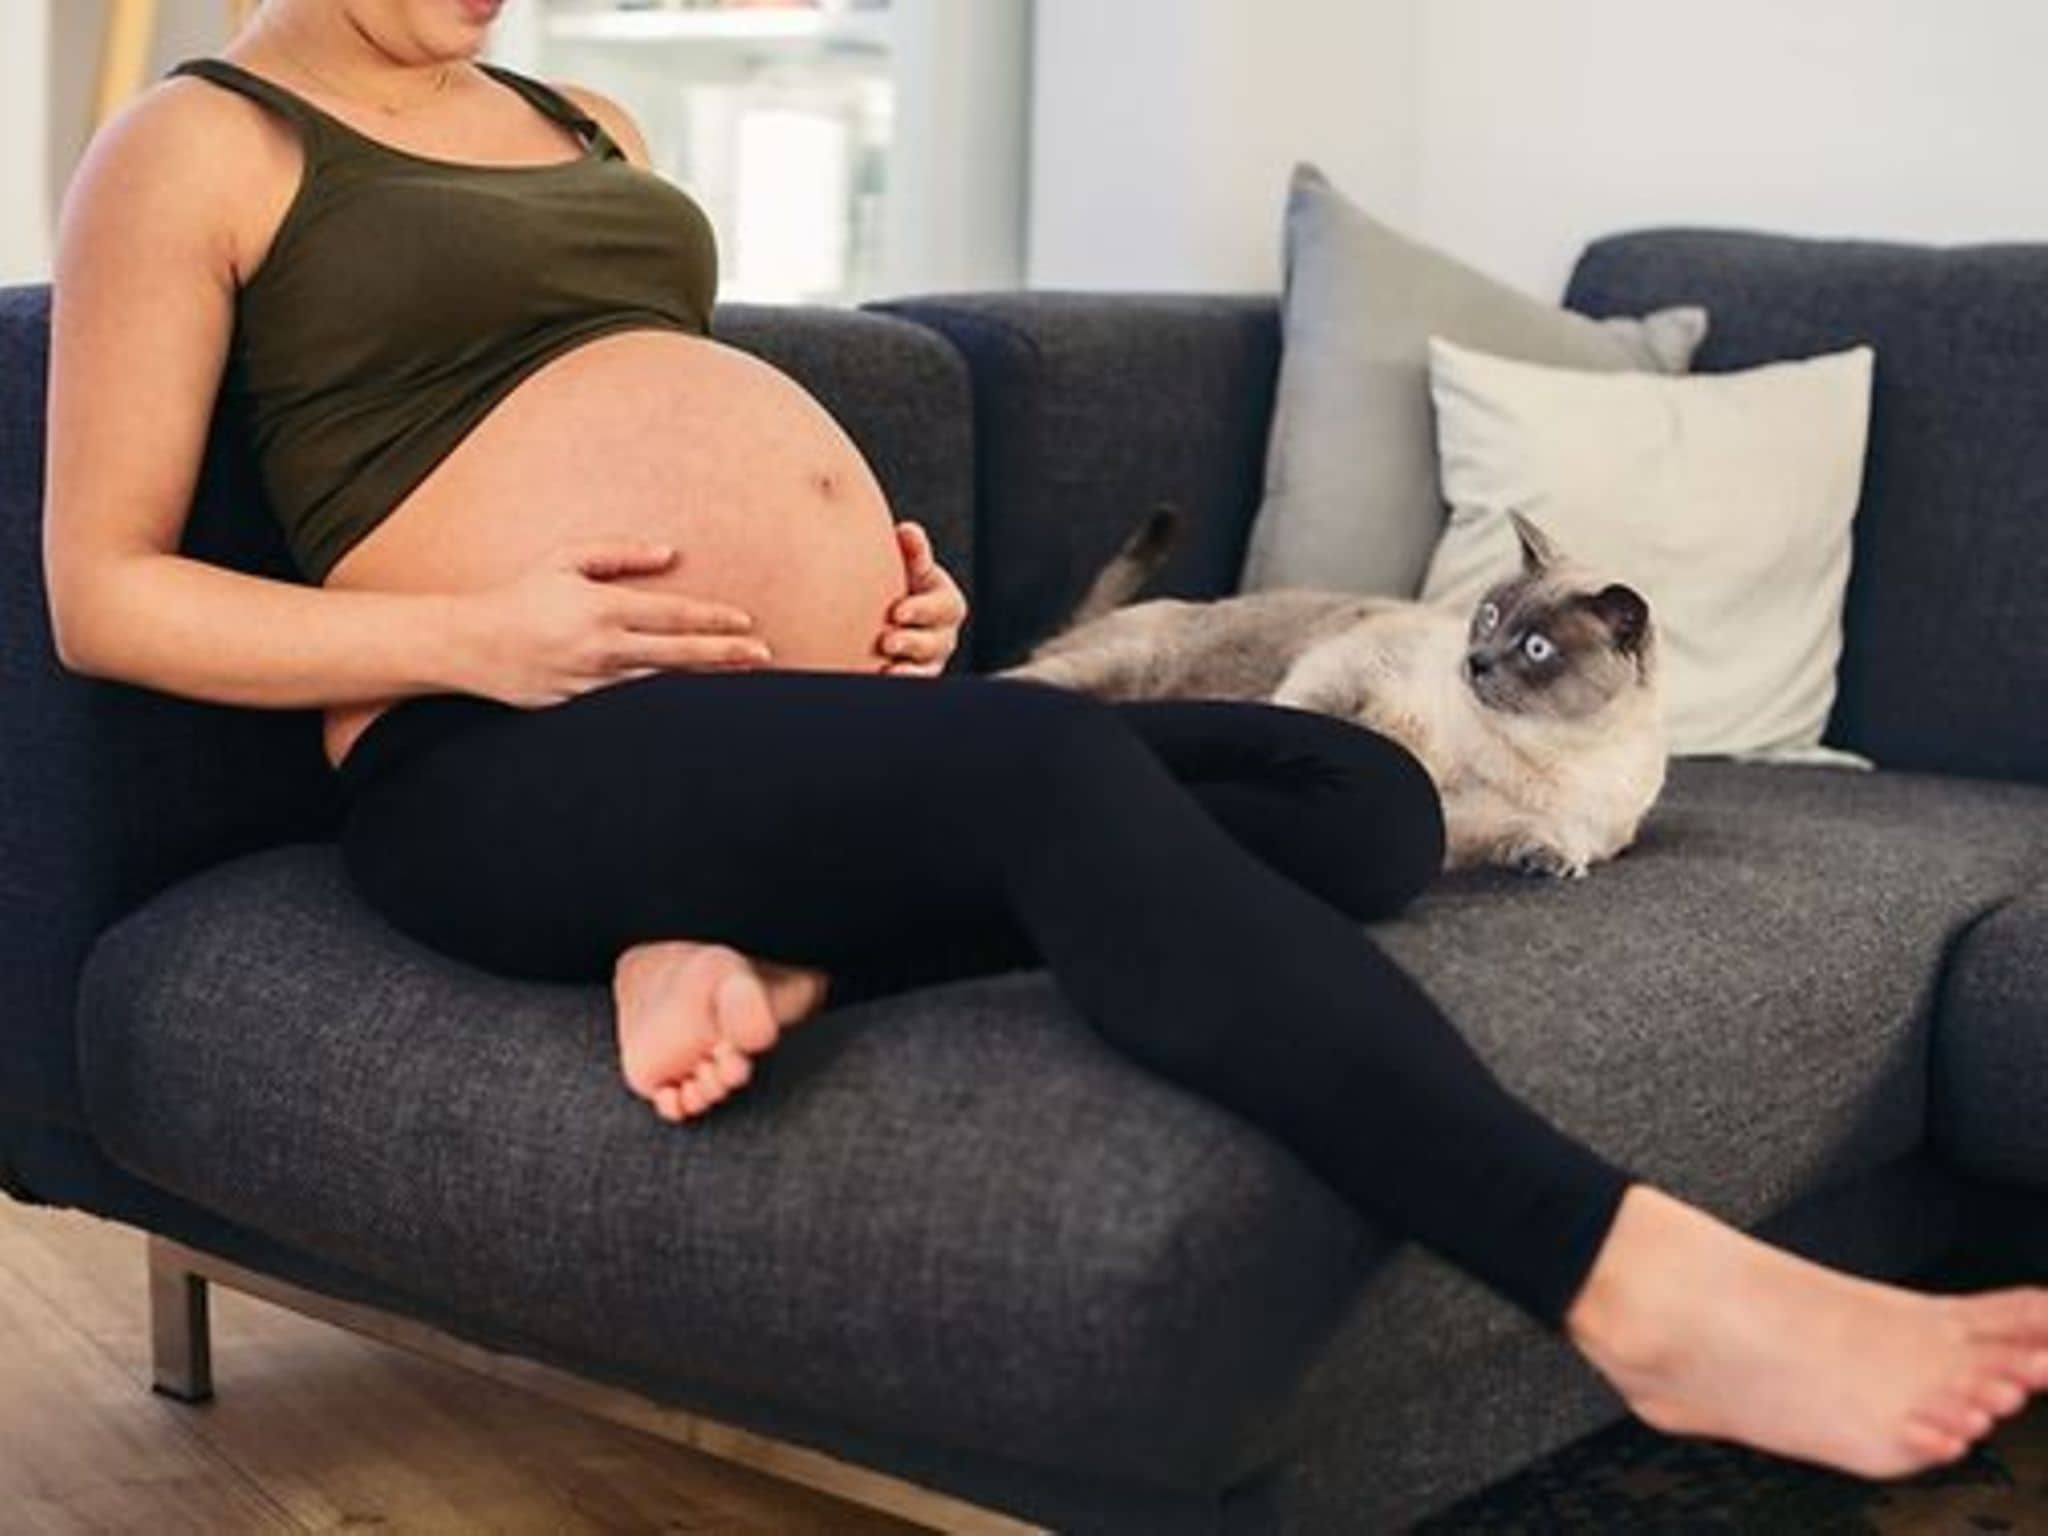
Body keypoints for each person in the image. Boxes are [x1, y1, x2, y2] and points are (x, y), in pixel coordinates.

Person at [42, 0, 2048, 1486]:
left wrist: (866, 596)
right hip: (489, 753)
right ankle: (1633, 1284)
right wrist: (480, 627)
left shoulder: (583, 114)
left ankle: (787, 936)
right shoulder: (197, 143)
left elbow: (640, 403)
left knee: (1355, 791)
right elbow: (104, 591)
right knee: (1059, 770)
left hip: (748, 729)